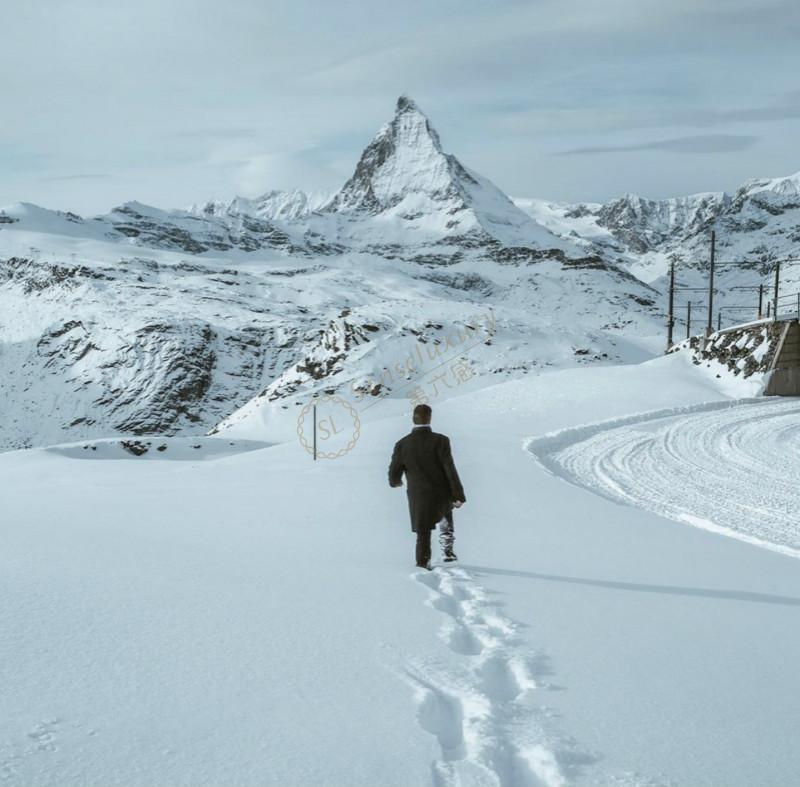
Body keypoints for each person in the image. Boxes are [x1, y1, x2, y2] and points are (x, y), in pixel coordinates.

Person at [388, 404, 466, 570]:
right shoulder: (441, 440)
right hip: (441, 492)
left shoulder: (402, 444)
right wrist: (458, 494)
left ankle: (422, 562)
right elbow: (449, 469)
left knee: (423, 531)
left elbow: (394, 471)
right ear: (430, 418)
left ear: (413, 419)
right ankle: (448, 552)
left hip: (418, 495)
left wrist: (395, 481)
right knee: (445, 516)